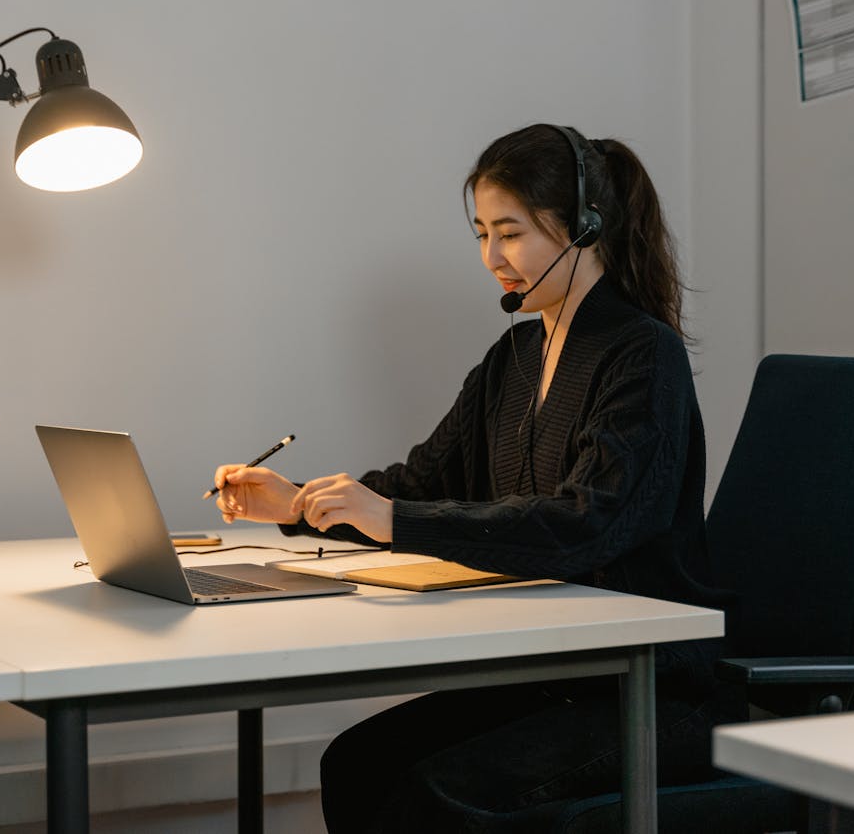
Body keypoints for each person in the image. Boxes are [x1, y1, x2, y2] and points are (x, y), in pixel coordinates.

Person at [210, 123, 733, 833]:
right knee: (357, 764)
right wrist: (298, 502)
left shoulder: (643, 355)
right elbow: (421, 481)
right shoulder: (514, 356)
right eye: (481, 233)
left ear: (582, 227)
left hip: (645, 688)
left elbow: (585, 525)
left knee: (433, 795)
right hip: (552, 674)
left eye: (510, 233)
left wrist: (390, 517)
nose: (491, 257)